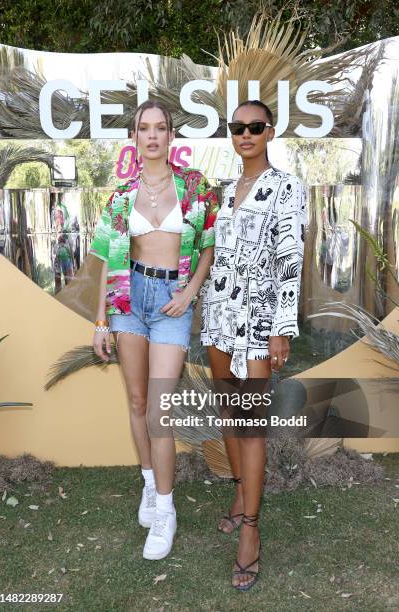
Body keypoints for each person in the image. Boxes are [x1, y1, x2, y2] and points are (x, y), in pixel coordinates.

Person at [89, 100, 218, 560]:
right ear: (134, 137)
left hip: (172, 302)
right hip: (129, 300)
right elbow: (106, 260)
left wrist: (190, 293)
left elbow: (207, 247)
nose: (152, 136)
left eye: (160, 128)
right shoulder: (121, 195)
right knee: (139, 401)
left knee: (160, 408)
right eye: (144, 128)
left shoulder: (195, 187)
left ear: (171, 136)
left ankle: (166, 510)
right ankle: (149, 482)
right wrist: (101, 319)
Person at [201, 100, 307, 590]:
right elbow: (219, 257)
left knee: (252, 427)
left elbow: (290, 259)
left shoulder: (287, 188)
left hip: (260, 320)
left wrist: (281, 327)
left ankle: (251, 531)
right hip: (219, 317)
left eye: (255, 127)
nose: (245, 134)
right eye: (237, 127)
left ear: (270, 131)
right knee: (229, 415)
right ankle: (241, 492)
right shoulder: (226, 192)